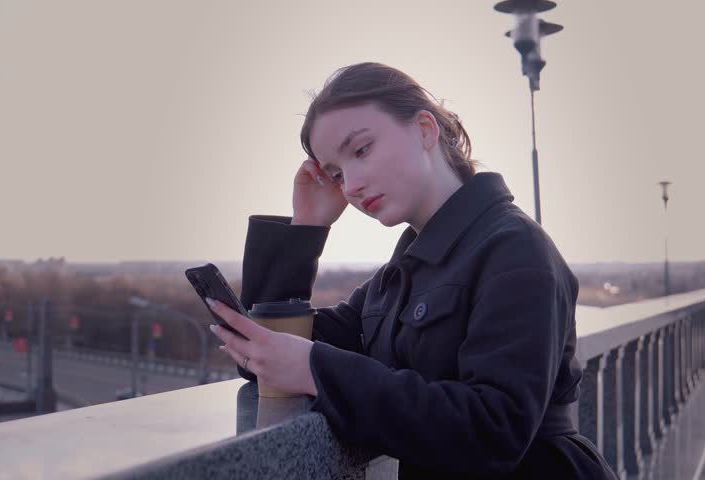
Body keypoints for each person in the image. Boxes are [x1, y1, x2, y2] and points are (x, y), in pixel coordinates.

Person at [206, 62, 618, 479]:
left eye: (361, 150)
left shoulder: (515, 248)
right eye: (337, 174)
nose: (351, 185)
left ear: (424, 129)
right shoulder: (397, 277)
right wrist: (305, 229)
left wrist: (317, 370)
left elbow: (495, 432)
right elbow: (265, 358)